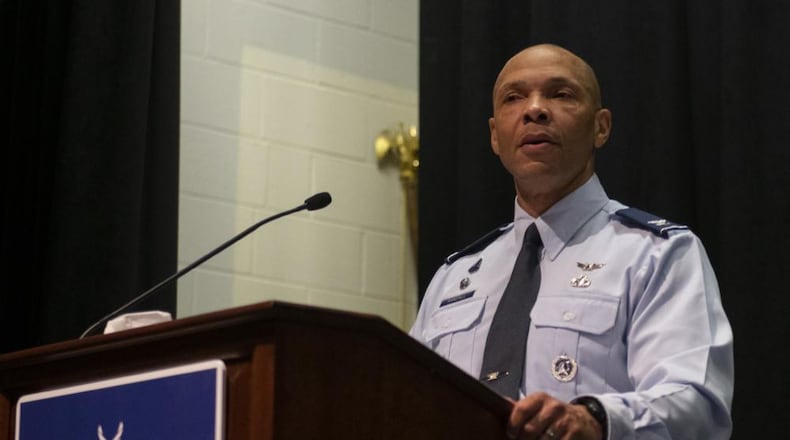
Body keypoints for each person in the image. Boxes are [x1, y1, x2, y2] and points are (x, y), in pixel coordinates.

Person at [410, 44, 733, 439]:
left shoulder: (656, 254)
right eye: (513, 98)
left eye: (560, 94)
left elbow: (698, 405)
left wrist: (597, 420)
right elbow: (403, 400)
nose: (534, 110)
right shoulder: (453, 278)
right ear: (495, 136)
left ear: (601, 127)